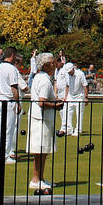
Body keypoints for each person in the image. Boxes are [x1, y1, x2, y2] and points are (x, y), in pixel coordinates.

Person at [28, 53, 62, 192]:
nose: (54, 65)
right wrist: (56, 105)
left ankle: (40, 178)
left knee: (42, 151)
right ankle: (36, 179)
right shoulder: (44, 80)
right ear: (46, 65)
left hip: (41, 118)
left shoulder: (39, 77)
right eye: (52, 63)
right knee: (40, 150)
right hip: (41, 119)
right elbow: (41, 101)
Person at [0, 47, 22, 164]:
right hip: (8, 101)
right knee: (8, 128)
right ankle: (4, 156)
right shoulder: (11, 69)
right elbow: (14, 87)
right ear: (13, 55)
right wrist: (18, 103)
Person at [62, 62, 88, 137]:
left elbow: (85, 85)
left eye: (70, 71)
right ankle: (69, 130)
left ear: (73, 68)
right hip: (70, 95)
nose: (69, 73)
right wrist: (65, 96)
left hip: (79, 96)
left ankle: (78, 130)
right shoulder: (67, 75)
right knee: (68, 113)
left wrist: (86, 98)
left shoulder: (80, 74)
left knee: (79, 113)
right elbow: (67, 86)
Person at [54, 53, 69, 136]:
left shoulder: (65, 69)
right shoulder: (57, 70)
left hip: (64, 92)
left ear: (60, 62)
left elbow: (67, 84)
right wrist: (55, 93)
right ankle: (64, 128)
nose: (56, 65)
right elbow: (55, 82)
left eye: (57, 63)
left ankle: (64, 128)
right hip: (59, 92)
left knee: (65, 111)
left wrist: (66, 96)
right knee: (60, 110)